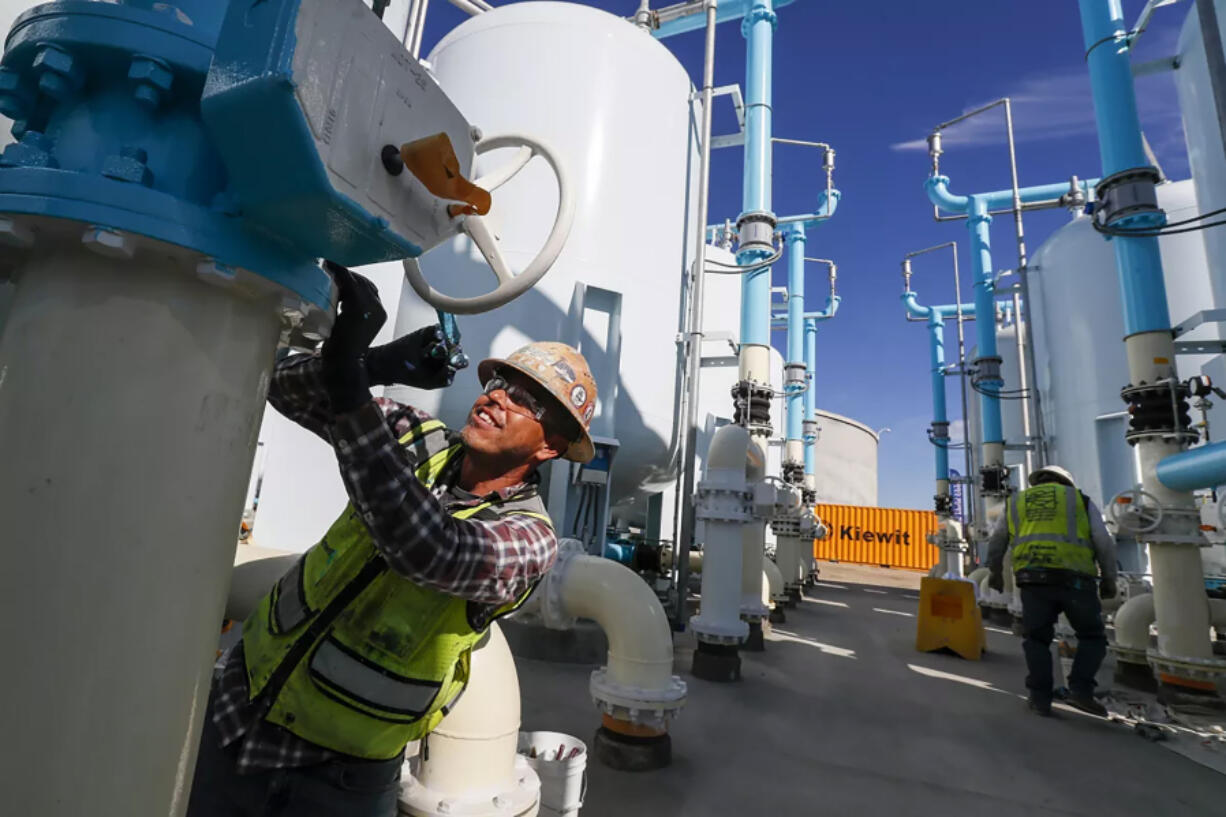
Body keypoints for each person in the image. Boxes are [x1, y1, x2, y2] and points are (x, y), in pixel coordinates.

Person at [188, 263, 598, 816]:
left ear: (551, 445)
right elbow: (284, 390)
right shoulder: (421, 437)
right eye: (500, 384)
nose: (499, 398)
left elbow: (428, 550)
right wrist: (371, 363)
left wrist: (353, 391)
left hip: (339, 778)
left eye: (527, 401)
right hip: (237, 712)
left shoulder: (529, 538)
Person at [987, 465, 1118, 718]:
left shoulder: (1017, 502)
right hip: (1076, 579)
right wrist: (1109, 578)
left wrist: (994, 572)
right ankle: (1080, 690)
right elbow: (1103, 540)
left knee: (1036, 639)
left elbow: (997, 540)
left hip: (1033, 579)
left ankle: (1039, 698)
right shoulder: (1080, 499)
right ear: (1066, 482)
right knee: (1092, 637)